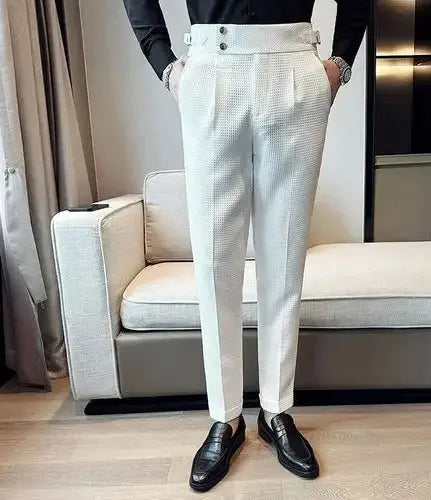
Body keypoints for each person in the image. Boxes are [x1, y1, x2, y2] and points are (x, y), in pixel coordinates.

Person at [123, 0, 369, 492]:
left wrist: (340, 62)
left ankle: (276, 410)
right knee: (216, 266)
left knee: (285, 260)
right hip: (211, 69)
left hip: (295, 66)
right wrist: (166, 65)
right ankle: (226, 417)